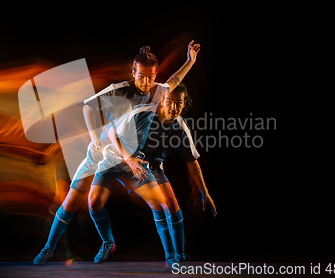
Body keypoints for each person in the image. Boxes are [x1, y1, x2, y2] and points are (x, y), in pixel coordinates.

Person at [33, 41, 201, 265]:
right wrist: (94, 139)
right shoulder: (119, 89)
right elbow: (88, 107)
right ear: (133, 72)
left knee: (160, 203)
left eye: (151, 76)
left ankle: (172, 256)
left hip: (131, 159)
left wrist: (190, 61)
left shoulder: (157, 92)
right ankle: (50, 248)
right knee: (75, 202)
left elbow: (175, 81)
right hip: (106, 154)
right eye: (142, 76)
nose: (147, 81)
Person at [88, 83, 216, 268]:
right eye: (170, 102)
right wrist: (128, 159)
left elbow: (193, 164)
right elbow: (110, 131)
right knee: (93, 203)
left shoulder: (180, 126)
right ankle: (109, 242)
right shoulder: (143, 112)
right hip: (117, 160)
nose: (174, 107)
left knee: (168, 203)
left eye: (178, 103)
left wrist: (205, 193)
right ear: (162, 101)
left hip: (147, 166)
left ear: (184, 103)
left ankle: (176, 256)